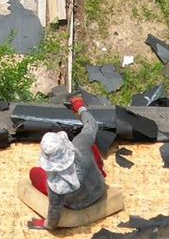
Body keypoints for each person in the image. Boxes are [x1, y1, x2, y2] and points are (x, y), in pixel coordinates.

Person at [26, 95, 108, 230]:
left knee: (34, 173)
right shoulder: (80, 145)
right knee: (90, 145)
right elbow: (91, 125)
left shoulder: (56, 186)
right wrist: (80, 107)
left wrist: (44, 225)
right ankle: (101, 172)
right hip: (99, 187)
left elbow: (54, 213)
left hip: (78, 204)